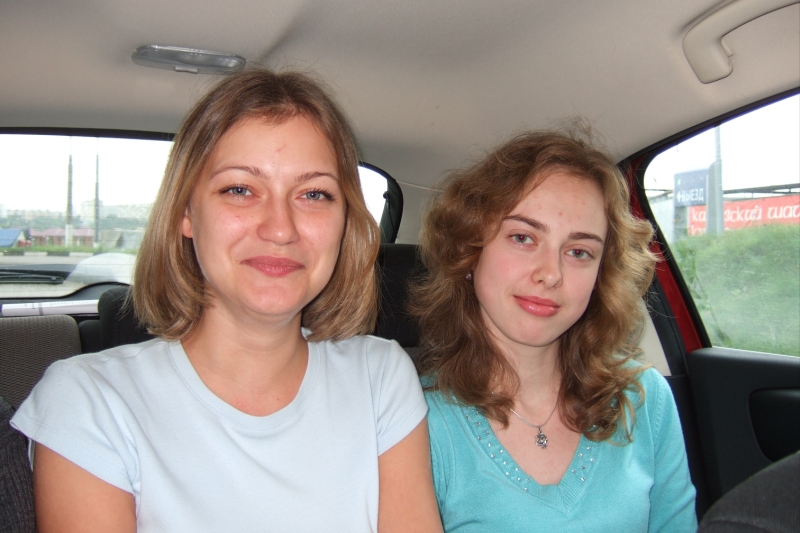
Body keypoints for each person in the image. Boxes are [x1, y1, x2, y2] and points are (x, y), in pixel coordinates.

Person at [12, 69, 442, 533]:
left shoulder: (380, 378)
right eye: (240, 190)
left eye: (314, 194)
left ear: (345, 222)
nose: (280, 228)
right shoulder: (89, 402)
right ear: (185, 212)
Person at [411, 130, 697, 532]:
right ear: (469, 251)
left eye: (579, 252)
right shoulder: (415, 422)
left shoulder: (643, 400)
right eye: (523, 237)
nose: (551, 273)